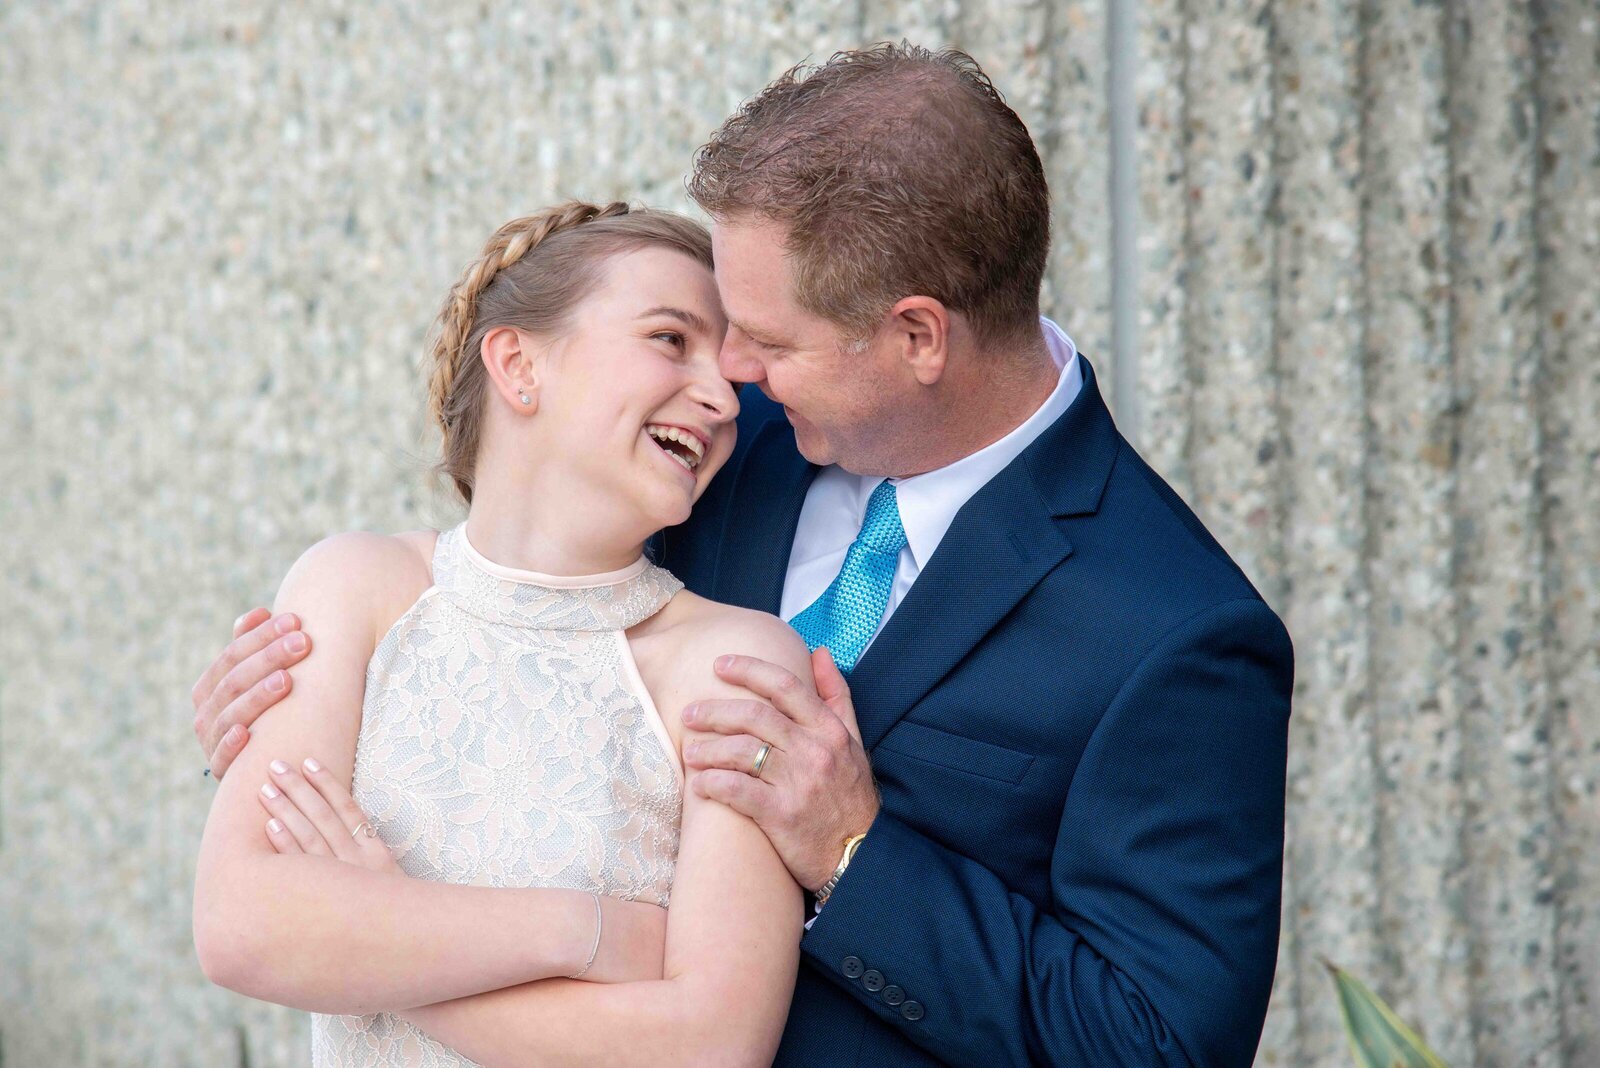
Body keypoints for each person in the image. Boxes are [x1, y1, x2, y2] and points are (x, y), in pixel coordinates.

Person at [195, 44, 1294, 1067]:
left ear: (916, 337)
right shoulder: (718, 446)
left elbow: (1156, 1041)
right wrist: (308, 714)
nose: (730, 373)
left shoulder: (1174, 631)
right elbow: (519, 641)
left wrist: (855, 855)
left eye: (764, 340)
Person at [192, 201, 822, 1066]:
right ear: (519, 364)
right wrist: (589, 932)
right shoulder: (357, 589)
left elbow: (710, 1047)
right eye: (672, 340)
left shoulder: (731, 665)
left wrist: (379, 936)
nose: (721, 400)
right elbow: (240, 926)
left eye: (734, 375)